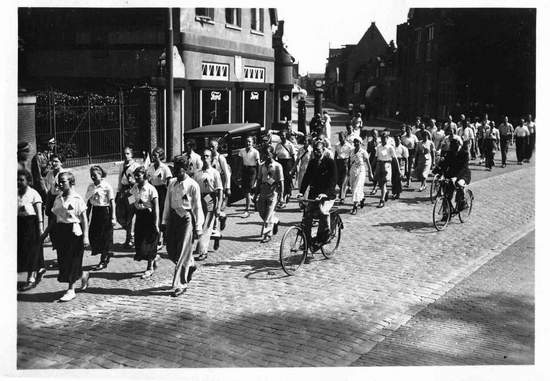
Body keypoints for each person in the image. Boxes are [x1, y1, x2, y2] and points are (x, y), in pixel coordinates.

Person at [41, 172, 89, 302]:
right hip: (61, 232)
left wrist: (86, 237)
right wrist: (45, 234)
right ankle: (83, 275)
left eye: (63, 181)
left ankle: (71, 290)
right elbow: (54, 218)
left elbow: (84, 219)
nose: (60, 184)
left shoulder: (77, 199)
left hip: (74, 232)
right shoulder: (58, 199)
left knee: (73, 260)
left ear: (71, 182)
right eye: (59, 182)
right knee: (63, 261)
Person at [162, 155, 203, 297]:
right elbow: (167, 203)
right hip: (174, 218)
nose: (176, 174)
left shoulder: (193, 185)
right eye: (175, 170)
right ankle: (190, 264)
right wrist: (164, 221)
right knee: (171, 250)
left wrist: (198, 227)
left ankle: (180, 284)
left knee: (182, 252)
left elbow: (197, 207)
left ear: (185, 170)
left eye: (179, 171)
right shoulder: (172, 184)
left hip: (187, 219)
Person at [298, 141, 337, 252]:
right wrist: (301, 192)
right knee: (307, 215)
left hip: (327, 195)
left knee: (322, 212)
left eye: (318, 150)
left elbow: (333, 180)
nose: (316, 152)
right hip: (314, 194)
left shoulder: (330, 162)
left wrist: (325, 193)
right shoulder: (312, 162)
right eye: (314, 150)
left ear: (323, 150)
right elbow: (306, 178)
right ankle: (307, 241)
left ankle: (324, 236)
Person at [17, 169, 46, 291]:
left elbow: (39, 213)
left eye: (21, 180)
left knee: (32, 251)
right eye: (17, 180)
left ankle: (31, 278)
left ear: (28, 181)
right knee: (23, 251)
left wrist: (40, 228)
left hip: (32, 224)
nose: (19, 182)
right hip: (20, 224)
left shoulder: (34, 194)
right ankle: (39, 268)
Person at [130, 166, 160, 278]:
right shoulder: (134, 188)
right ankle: (154, 258)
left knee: (149, 243)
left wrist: (156, 223)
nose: (136, 177)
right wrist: (130, 216)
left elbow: (156, 207)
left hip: (149, 217)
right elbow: (131, 201)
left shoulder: (151, 189)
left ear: (145, 175)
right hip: (139, 216)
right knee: (139, 244)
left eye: (139, 175)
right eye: (135, 175)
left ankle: (150, 267)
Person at [85, 165, 116, 271]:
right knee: (93, 235)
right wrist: (87, 216)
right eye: (91, 175)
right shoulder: (90, 187)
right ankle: (105, 254)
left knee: (105, 237)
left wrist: (113, 217)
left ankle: (104, 259)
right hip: (95, 212)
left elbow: (112, 202)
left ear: (101, 174)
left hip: (105, 212)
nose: (93, 177)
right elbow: (89, 202)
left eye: (95, 175)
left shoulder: (106, 186)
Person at [193, 149, 223, 261]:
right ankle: (216, 235)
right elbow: (193, 188)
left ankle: (203, 252)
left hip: (210, 199)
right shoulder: (197, 173)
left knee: (206, 225)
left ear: (211, 158)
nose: (205, 158)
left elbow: (220, 190)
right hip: (199, 199)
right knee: (199, 224)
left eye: (207, 156)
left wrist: (219, 207)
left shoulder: (215, 173)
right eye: (203, 156)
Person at [434, 138, 471, 213]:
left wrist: (456, 177)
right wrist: (438, 172)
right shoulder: (450, 153)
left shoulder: (464, 153)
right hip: (452, 174)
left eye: (453, 146)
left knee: (459, 184)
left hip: (463, 174)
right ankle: (446, 213)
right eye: (451, 146)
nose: (452, 148)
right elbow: (445, 164)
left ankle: (462, 202)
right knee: (446, 193)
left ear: (458, 145)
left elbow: (463, 167)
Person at [255, 145, 284, 243]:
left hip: (273, 191)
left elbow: (281, 181)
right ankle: (275, 221)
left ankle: (267, 235)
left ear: (272, 154)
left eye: (269, 154)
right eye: (265, 154)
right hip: (263, 191)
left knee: (267, 217)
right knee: (261, 212)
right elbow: (259, 179)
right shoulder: (262, 166)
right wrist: (256, 193)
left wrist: (281, 196)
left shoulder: (277, 166)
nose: (267, 156)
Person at [146, 147, 172, 248]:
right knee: (154, 214)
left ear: (160, 156)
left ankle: (163, 237)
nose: (153, 157)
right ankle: (157, 236)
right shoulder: (150, 167)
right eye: (152, 155)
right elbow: (148, 179)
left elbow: (169, 182)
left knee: (161, 213)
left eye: (155, 156)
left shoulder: (165, 168)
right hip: (153, 191)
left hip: (162, 192)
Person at [117, 147, 139, 248]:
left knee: (130, 214)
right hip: (123, 192)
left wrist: (133, 181)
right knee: (120, 214)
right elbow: (119, 179)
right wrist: (118, 191)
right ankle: (131, 232)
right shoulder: (122, 165)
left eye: (127, 153)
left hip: (131, 192)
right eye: (124, 154)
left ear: (131, 154)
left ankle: (130, 238)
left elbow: (139, 180)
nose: (126, 156)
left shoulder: (135, 166)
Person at [209, 139, 231, 231]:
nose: (211, 149)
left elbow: (227, 173)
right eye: (209, 147)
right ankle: (222, 217)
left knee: (217, 205)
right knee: (212, 205)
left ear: (216, 147)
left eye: (213, 147)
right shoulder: (208, 157)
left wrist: (227, 187)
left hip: (220, 184)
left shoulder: (220, 158)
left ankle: (215, 228)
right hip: (211, 184)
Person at [373, 132, 398, 208]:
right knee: (380, 183)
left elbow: (395, 159)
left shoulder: (390, 147)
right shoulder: (378, 146)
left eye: (385, 138)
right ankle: (385, 192)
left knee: (383, 183)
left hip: (386, 165)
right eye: (382, 138)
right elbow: (376, 157)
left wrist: (398, 170)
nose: (383, 139)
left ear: (387, 138)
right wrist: (371, 167)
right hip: (379, 165)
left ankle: (382, 200)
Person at [238, 136, 260, 218]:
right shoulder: (242, 151)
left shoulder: (255, 152)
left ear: (253, 143)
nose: (248, 143)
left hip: (252, 171)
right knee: (245, 190)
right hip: (245, 170)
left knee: (248, 189)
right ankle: (255, 200)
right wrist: (239, 173)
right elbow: (240, 163)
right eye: (247, 142)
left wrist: (258, 176)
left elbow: (258, 165)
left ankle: (247, 210)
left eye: (250, 142)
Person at [349, 138, 371, 214]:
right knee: (352, 187)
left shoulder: (363, 152)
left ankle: (355, 207)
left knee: (357, 188)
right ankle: (361, 198)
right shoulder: (351, 151)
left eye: (357, 142)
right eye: (354, 142)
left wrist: (370, 173)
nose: (355, 143)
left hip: (361, 171)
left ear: (360, 143)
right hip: (353, 170)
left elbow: (368, 163)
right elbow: (350, 162)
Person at [274, 131, 296, 208]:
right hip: (280, 163)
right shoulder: (278, 145)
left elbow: (294, 157)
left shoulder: (290, 145)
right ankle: (281, 197)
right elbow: (275, 155)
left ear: (286, 136)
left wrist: (294, 168)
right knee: (280, 180)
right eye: (281, 136)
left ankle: (285, 196)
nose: (282, 137)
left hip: (288, 163)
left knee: (287, 180)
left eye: (283, 135)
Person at [30, 137, 55, 203]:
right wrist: (44, 189)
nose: (54, 145)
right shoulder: (38, 157)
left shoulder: (49, 155)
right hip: (42, 185)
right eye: (52, 143)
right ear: (47, 144)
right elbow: (38, 175)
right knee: (44, 203)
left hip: (49, 183)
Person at [333, 132, 352, 204]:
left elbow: (350, 157)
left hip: (345, 163)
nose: (340, 139)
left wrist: (350, 166)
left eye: (342, 137)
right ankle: (344, 190)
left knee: (344, 181)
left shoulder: (349, 146)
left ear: (345, 137)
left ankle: (342, 198)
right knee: (338, 181)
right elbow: (335, 155)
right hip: (338, 163)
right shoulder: (337, 145)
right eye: (339, 137)